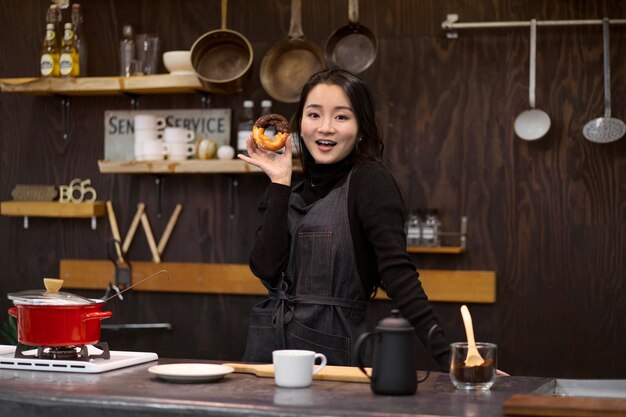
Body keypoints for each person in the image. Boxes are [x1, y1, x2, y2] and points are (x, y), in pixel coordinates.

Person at [237, 68, 450, 371]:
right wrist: (279, 182)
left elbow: (398, 275)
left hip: (333, 357)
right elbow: (265, 268)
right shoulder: (287, 190)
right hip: (266, 352)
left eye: (341, 117)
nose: (325, 128)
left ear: (361, 128)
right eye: (314, 115)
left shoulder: (369, 182)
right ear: (298, 126)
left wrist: (451, 357)